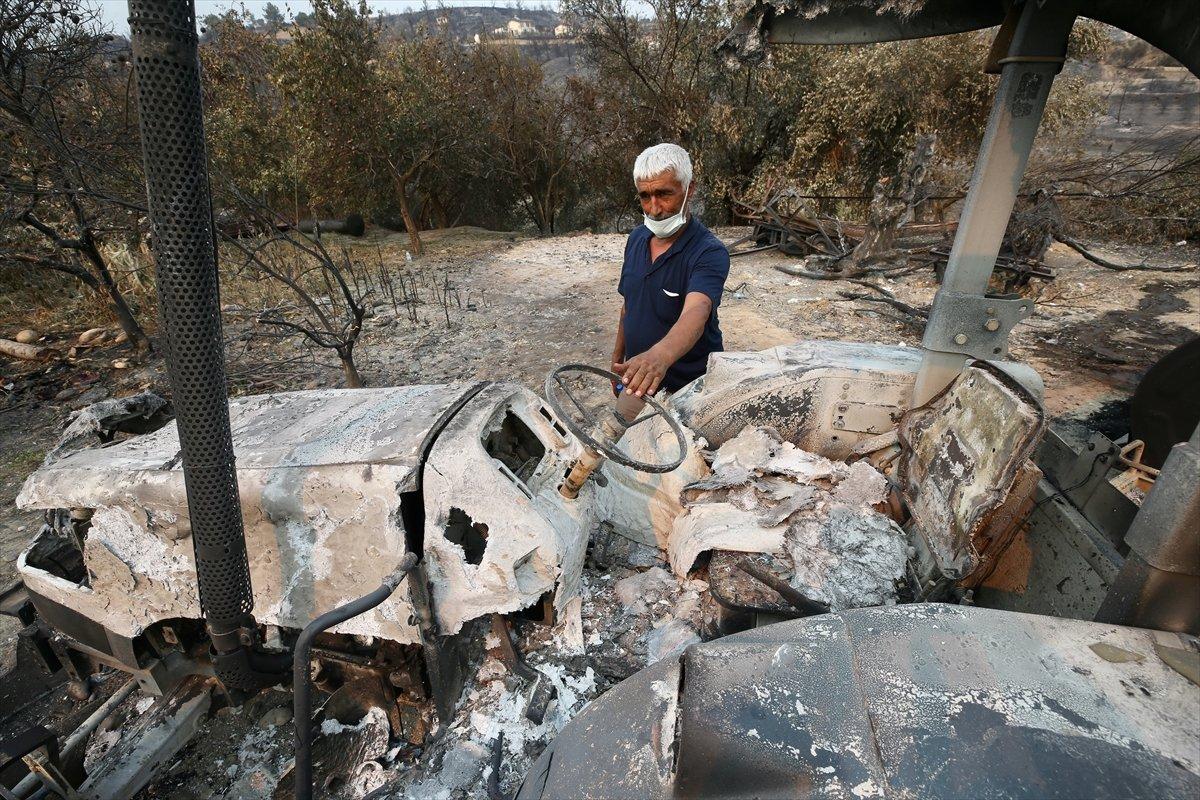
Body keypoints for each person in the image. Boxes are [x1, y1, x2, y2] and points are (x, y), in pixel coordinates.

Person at [612, 143, 729, 411]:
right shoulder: (636, 239)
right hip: (641, 379)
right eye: (645, 196)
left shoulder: (708, 251)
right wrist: (617, 357)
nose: (654, 208)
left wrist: (660, 357)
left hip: (692, 388)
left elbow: (696, 313)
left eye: (664, 194)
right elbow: (628, 305)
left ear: (690, 190)